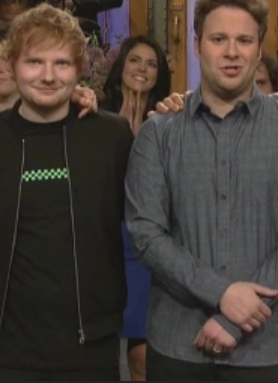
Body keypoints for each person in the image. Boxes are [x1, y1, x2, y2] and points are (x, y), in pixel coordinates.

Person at [125, 0, 278, 381]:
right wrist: (222, 293)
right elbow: (146, 234)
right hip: (179, 345)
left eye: (244, 40)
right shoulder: (158, 134)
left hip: (268, 349)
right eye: (219, 39)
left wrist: (236, 316)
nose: (232, 52)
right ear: (197, 45)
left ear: (259, 48)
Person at [0, 3, 132, 381]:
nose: (48, 76)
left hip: (89, 347)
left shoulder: (111, 137)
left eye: (62, 64)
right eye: (35, 62)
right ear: (11, 65)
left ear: (79, 69)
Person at [100, 35, 171, 381]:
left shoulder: (166, 122)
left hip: (145, 246)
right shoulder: (93, 116)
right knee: (102, 354)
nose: (142, 69)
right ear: (121, 67)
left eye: (151, 64)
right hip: (103, 242)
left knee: (142, 357)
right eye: (135, 60)